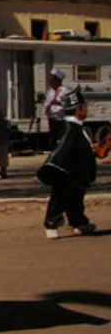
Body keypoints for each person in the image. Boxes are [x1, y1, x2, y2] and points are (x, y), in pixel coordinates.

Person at [38, 87, 100, 238]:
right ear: (78, 110)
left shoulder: (78, 128)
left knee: (76, 200)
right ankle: (51, 224)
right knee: (60, 198)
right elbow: (61, 149)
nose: (86, 110)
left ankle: (78, 223)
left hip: (77, 174)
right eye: (85, 107)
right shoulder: (69, 129)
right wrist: (53, 166)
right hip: (65, 173)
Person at [44, 69, 69, 147]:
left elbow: (71, 105)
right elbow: (47, 104)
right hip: (52, 120)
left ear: (57, 80)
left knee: (63, 141)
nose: (50, 82)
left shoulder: (66, 91)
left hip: (63, 120)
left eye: (52, 80)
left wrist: (59, 103)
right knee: (53, 142)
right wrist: (47, 108)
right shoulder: (50, 92)